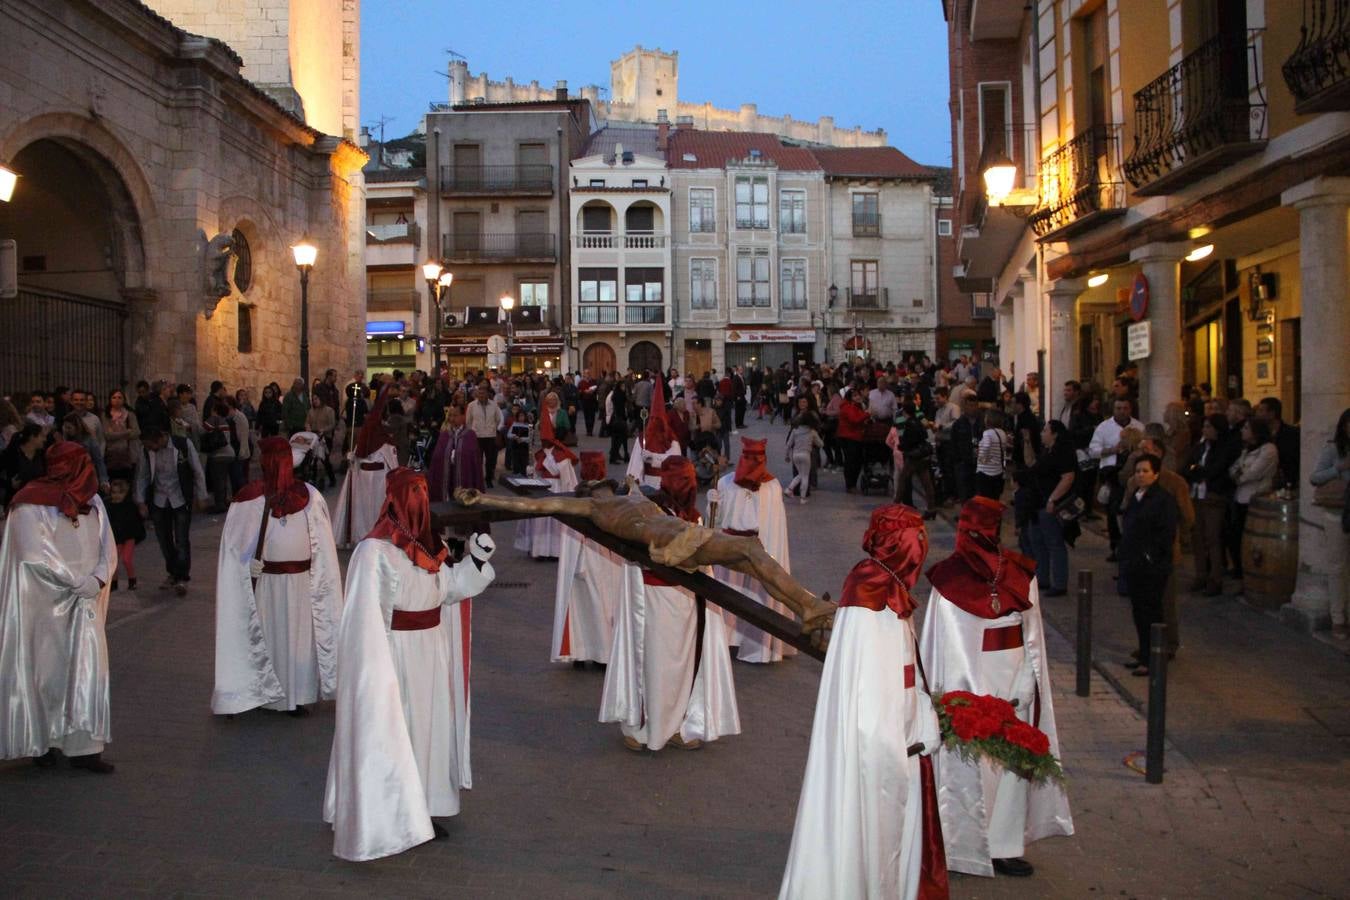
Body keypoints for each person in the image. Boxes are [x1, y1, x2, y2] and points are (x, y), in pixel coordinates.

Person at [323, 470, 497, 861]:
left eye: (424, 491)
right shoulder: (374, 552)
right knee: (398, 731)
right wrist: (375, 678)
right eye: (413, 493)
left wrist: (476, 561)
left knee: (429, 730)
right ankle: (388, 814)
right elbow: (363, 622)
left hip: (431, 657)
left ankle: (424, 807)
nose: (420, 499)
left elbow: (448, 589)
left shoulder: (429, 547)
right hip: (395, 660)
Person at [779, 505, 948, 900]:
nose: (922, 552)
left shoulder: (889, 587)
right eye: (916, 542)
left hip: (901, 733)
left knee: (890, 837)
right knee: (872, 830)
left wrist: (919, 713)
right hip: (879, 747)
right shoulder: (870, 599)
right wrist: (890, 749)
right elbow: (866, 694)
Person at [921, 497, 1073, 878]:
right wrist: (960, 694)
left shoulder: (1021, 575)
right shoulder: (948, 580)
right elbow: (943, 643)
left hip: (1012, 675)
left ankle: (1004, 846)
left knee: (1010, 766)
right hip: (970, 682)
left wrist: (1025, 681)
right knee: (968, 764)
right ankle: (960, 844)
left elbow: (1032, 635)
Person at [600, 457, 740, 751]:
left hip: (687, 600)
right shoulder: (650, 511)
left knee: (683, 663)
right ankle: (643, 726)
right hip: (652, 598)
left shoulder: (695, 515)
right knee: (652, 662)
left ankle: (679, 723)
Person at [0, 443, 117, 773]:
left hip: (86, 599)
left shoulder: (92, 501)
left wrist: (97, 577)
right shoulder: (30, 502)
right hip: (48, 600)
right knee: (48, 671)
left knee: (90, 672)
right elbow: (34, 551)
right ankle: (44, 741)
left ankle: (85, 747)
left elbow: (107, 543)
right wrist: (73, 581)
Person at [212, 437, 343, 717]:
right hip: (268, 584)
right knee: (269, 637)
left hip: (302, 583)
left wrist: (318, 573)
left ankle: (294, 696)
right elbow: (233, 548)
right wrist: (245, 566)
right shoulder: (249, 500)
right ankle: (267, 695)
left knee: (298, 640)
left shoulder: (310, 496)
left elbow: (324, 542)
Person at [708, 436, 796, 664]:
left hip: (759, 552)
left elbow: (774, 526)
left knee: (758, 598)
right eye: (748, 457)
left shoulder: (772, 486)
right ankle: (724, 639)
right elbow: (714, 523)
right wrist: (712, 504)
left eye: (757, 458)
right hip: (728, 550)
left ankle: (758, 647)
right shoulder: (725, 482)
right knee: (728, 595)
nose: (752, 462)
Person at [1121, 438, 1194, 658]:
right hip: (1136, 555)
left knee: (1163, 604)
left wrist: (1175, 542)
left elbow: (1187, 516)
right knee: (1142, 605)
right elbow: (1126, 510)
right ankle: (1146, 647)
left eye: (1147, 451)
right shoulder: (1135, 484)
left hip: (1160, 554)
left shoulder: (1173, 484)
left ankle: (1167, 645)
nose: (1141, 453)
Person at [551, 451, 622, 666]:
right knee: (601, 606)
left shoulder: (574, 498)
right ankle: (600, 654)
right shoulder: (605, 499)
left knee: (579, 608)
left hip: (582, 558)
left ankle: (580, 654)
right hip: (597, 559)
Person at [1118, 455, 1179, 675]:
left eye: (1145, 471)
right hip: (1134, 563)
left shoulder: (1163, 499)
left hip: (1151, 565)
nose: (1141, 475)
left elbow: (1166, 533)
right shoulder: (1137, 495)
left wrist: (1150, 556)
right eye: (1138, 471)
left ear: (1156, 473)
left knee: (1152, 611)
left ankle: (1152, 658)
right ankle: (1144, 652)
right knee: (1139, 611)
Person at [135, 427, 207, 595]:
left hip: (180, 497)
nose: (150, 448)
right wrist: (140, 501)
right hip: (159, 499)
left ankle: (183, 576)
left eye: (151, 444)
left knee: (181, 539)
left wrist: (201, 495)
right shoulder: (147, 452)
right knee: (164, 539)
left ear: (160, 437)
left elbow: (197, 470)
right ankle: (173, 572)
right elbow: (143, 475)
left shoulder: (182, 445)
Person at [333, 389, 399, 549]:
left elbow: (358, 455)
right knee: (374, 508)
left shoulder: (368, 437)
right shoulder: (383, 440)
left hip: (364, 478)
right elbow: (392, 464)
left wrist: (352, 457)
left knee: (364, 509)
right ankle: (375, 533)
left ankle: (366, 534)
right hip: (378, 480)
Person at [513, 402, 578, 559]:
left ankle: (555, 552)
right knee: (541, 522)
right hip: (542, 491)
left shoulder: (561, 454)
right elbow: (537, 473)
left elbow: (566, 478)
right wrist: (532, 472)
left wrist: (549, 458)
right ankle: (540, 550)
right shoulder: (541, 453)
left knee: (554, 523)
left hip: (556, 491)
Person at [1023, 421, 1077, 597]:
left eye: (1045, 430)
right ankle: (1042, 577)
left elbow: (1067, 477)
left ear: (1055, 434)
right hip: (1036, 501)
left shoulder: (1063, 452)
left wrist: (1053, 498)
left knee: (1054, 542)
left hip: (1050, 502)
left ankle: (1059, 582)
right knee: (1036, 539)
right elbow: (1031, 462)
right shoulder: (1047, 451)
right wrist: (1027, 441)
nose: (1042, 433)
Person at [1309, 408, 1350, 638]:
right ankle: (1338, 618)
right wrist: (1338, 468)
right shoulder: (1333, 449)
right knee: (1337, 567)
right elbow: (1315, 477)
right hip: (1337, 513)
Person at [1183, 415, 1234, 597]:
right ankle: (1200, 574)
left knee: (1212, 538)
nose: (1205, 430)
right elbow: (1186, 467)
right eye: (1204, 426)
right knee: (1197, 536)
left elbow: (1215, 471)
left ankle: (1215, 578)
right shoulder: (1199, 447)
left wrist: (1197, 470)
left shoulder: (1223, 449)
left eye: (1208, 426)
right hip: (1197, 495)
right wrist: (1196, 470)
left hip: (1213, 496)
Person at [1088, 398, 1144, 560]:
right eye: (1118, 408)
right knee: (1113, 512)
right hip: (1112, 475)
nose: (1122, 411)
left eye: (1125, 408)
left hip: (1133, 476)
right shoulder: (1104, 427)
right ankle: (1116, 546)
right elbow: (1093, 450)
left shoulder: (1138, 427)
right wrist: (1112, 450)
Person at [627, 375, 682, 488]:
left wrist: (653, 456)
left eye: (659, 421)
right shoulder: (642, 439)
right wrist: (637, 485)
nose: (656, 424)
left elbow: (675, 460)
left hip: (667, 484)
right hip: (647, 484)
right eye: (654, 420)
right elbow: (636, 468)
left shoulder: (671, 439)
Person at [888, 404, 938, 515]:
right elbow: (924, 435)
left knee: (902, 480)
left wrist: (901, 447)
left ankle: (895, 505)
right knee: (927, 483)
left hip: (913, 457)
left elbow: (906, 441)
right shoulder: (919, 422)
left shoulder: (909, 424)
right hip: (923, 456)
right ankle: (931, 508)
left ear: (905, 413)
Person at [427, 406, 483, 502]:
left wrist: (458, 455)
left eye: (455, 416)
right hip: (447, 472)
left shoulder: (470, 435)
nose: (452, 419)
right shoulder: (444, 434)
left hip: (464, 473)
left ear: (463, 417)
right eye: (450, 416)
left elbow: (474, 459)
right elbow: (437, 457)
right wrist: (448, 456)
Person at [104, 477, 145, 592]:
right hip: (116, 538)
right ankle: (114, 582)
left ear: (125, 493)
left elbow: (137, 522)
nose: (117, 495)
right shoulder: (108, 506)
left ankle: (132, 580)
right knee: (114, 561)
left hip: (128, 537)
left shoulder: (129, 506)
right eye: (114, 492)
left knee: (127, 559)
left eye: (120, 492)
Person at [1256, 397, 1300, 490]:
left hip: (1286, 482)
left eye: (1261, 411)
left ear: (1271, 414)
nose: (1257, 414)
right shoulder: (1260, 434)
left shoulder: (1292, 434)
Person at [465, 384, 503, 488]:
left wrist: (493, 428)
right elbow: (468, 421)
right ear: (477, 394)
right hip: (477, 436)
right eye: (479, 393)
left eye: (483, 393)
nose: (481, 395)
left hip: (490, 435)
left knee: (490, 460)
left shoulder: (494, 405)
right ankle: (477, 479)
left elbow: (498, 419)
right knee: (478, 459)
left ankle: (489, 479)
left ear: (487, 394)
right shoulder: (471, 405)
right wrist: (471, 433)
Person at [100, 388, 140, 481]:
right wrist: (126, 432)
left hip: (128, 453)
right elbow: (107, 435)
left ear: (124, 400)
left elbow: (137, 432)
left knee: (127, 480)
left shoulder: (130, 414)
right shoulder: (105, 415)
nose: (117, 400)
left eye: (119, 397)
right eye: (114, 397)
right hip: (111, 453)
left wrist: (115, 433)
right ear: (110, 399)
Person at [837, 388, 870, 494]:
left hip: (856, 436)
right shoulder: (848, 407)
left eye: (858, 395)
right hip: (849, 437)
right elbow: (854, 420)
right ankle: (850, 485)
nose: (858, 397)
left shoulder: (857, 406)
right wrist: (867, 414)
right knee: (851, 462)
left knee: (856, 461)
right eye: (855, 396)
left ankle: (852, 484)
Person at [950, 394, 982, 502]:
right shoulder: (958, 424)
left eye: (974, 405)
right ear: (965, 406)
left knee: (978, 493)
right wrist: (958, 461)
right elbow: (953, 443)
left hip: (979, 464)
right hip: (963, 463)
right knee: (964, 493)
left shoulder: (982, 422)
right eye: (969, 405)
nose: (972, 408)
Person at [974, 409, 1011, 500]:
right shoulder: (1002, 433)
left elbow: (986, 447)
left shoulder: (988, 433)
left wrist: (981, 457)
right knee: (994, 499)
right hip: (997, 470)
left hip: (985, 471)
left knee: (984, 500)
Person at [784, 417, 822, 503]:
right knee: (805, 476)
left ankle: (789, 489)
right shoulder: (812, 432)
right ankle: (802, 498)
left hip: (795, 455)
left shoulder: (795, 431)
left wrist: (786, 456)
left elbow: (788, 444)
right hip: (805, 455)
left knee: (800, 474)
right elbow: (820, 444)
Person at [305, 393, 337, 488]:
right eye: (313, 399)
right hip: (314, 437)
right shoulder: (311, 411)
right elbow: (307, 422)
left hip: (325, 438)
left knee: (325, 460)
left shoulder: (329, 410)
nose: (315, 401)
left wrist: (324, 430)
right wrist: (308, 427)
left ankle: (332, 479)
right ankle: (313, 480)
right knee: (313, 459)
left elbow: (332, 424)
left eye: (316, 398)